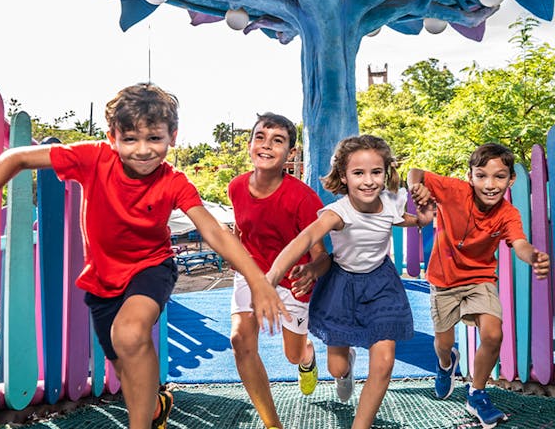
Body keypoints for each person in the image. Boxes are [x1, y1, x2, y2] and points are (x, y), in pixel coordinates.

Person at [0, 83, 289, 429]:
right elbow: (16, 157)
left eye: (154, 139)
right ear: (112, 136)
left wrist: (257, 281)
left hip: (152, 267)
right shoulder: (94, 157)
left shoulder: (174, 182)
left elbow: (213, 230)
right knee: (126, 365)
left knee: (129, 333)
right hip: (102, 280)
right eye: (130, 139)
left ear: (172, 136)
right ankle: (156, 407)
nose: (143, 151)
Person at [266, 134, 433, 429]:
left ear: (386, 173)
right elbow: (305, 238)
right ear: (343, 176)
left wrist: (421, 219)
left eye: (376, 172)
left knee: (383, 362)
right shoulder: (337, 213)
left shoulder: (391, 201)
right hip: (342, 287)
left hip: (381, 285)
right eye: (358, 173)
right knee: (337, 366)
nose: (368, 181)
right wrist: (271, 278)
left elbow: (402, 218)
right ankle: (346, 369)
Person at [407, 143, 550, 429]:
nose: (490, 184)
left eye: (499, 177)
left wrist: (533, 255)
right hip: (444, 281)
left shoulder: (508, 214)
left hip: (479, 279)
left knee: (493, 334)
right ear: (470, 176)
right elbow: (415, 172)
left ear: (511, 180)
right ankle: (446, 364)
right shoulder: (454, 191)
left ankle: (477, 394)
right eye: (482, 175)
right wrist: (416, 187)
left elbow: (518, 243)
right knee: (444, 344)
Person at [228, 112, 330, 429]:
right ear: (249, 145)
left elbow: (321, 255)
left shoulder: (303, 198)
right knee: (240, 340)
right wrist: (233, 247)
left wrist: (313, 269)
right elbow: (243, 233)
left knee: (292, 354)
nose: (267, 145)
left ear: (291, 153)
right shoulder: (236, 187)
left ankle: (308, 356)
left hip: (292, 282)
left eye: (278, 140)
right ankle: (273, 424)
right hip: (252, 272)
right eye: (260, 137)